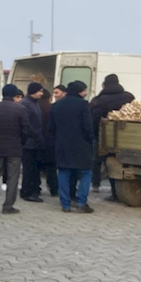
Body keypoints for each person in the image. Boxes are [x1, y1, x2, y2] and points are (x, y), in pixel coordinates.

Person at [0, 84, 31, 215]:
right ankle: (8, 206)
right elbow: (25, 130)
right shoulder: (20, 109)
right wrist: (21, 142)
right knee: (13, 177)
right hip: (14, 149)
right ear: (14, 94)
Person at [50, 81, 96, 213]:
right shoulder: (83, 105)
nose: (85, 93)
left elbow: (51, 128)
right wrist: (90, 139)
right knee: (86, 172)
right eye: (84, 90)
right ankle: (81, 202)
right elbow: (88, 126)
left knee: (64, 172)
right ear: (80, 91)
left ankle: (65, 204)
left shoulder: (56, 105)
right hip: (81, 145)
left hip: (62, 144)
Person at [91, 74, 135, 201]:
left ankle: (102, 187)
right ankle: (122, 190)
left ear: (104, 84)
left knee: (102, 161)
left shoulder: (99, 100)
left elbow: (94, 119)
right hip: (126, 136)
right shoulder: (128, 97)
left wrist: (95, 134)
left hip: (104, 137)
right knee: (121, 162)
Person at [20, 83, 45, 202]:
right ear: (33, 91)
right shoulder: (26, 104)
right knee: (28, 169)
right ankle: (27, 192)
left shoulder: (33, 103)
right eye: (40, 91)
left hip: (34, 142)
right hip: (29, 143)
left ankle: (33, 190)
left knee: (34, 168)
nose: (42, 93)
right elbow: (27, 124)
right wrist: (36, 135)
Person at [38, 89, 58, 197]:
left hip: (37, 141)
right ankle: (53, 188)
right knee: (51, 167)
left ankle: (36, 188)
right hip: (50, 141)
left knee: (36, 167)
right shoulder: (52, 108)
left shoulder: (35, 106)